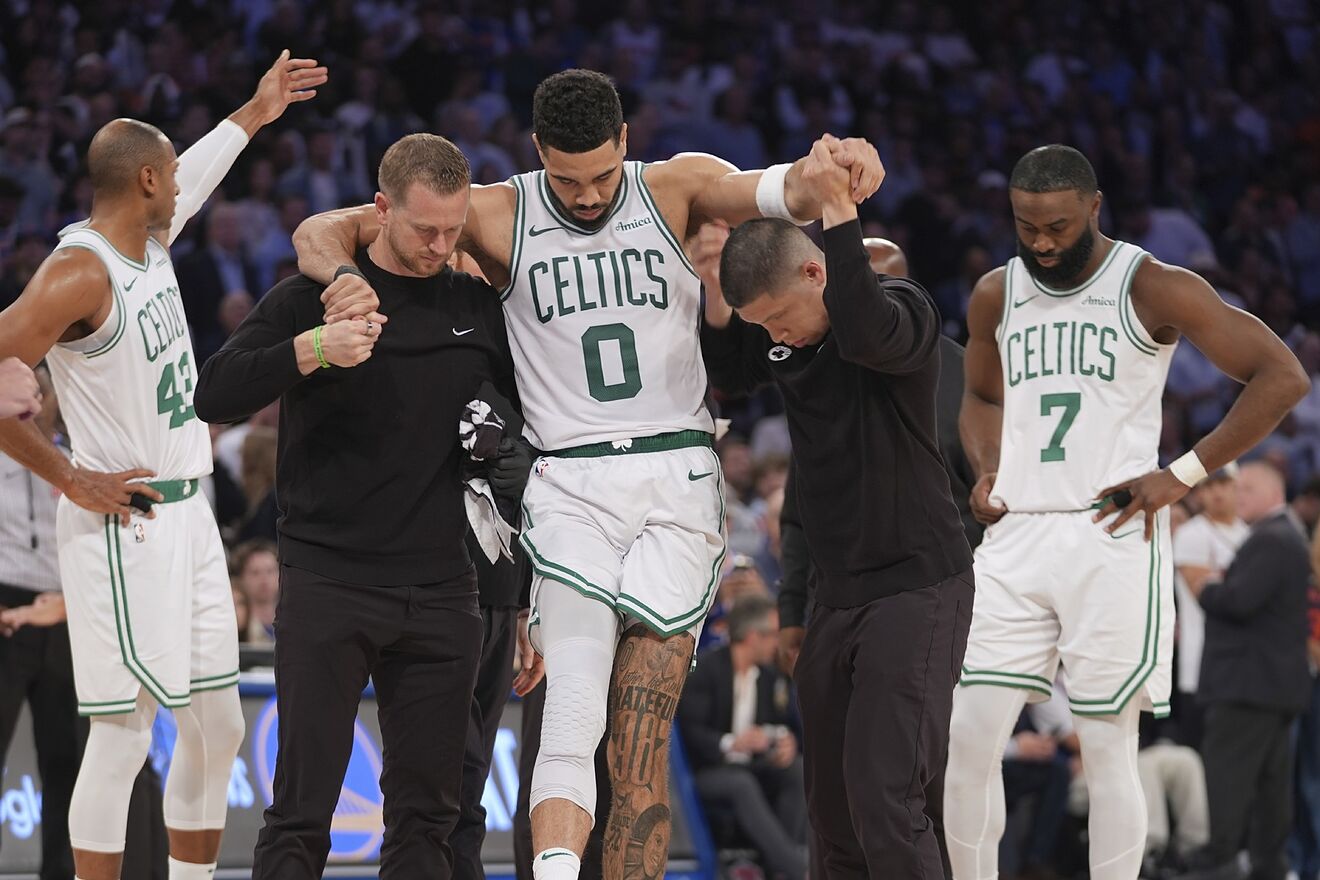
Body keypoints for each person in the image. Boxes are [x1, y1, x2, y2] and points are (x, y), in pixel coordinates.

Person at [292, 68, 882, 880]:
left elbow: (790, 189)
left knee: (641, 743)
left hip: (675, 478)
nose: (585, 194)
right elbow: (324, 228)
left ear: (626, 146)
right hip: (568, 481)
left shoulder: (679, 188)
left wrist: (839, 167)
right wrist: (343, 277)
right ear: (537, 154)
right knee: (568, 716)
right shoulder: (499, 212)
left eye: (602, 174)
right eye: (566, 178)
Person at [942, 145, 1309, 880]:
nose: (1042, 242)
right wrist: (986, 468)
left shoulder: (1152, 285)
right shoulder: (995, 293)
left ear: (1094, 207)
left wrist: (1181, 476)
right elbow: (981, 395)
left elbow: (1283, 375)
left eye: (1057, 226)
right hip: (1015, 534)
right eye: (1027, 227)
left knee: (1108, 748)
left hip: (1108, 532)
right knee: (963, 742)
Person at [0, 52, 326, 880]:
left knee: (219, 728)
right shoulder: (78, 270)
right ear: (147, 178)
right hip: (126, 520)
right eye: (170, 176)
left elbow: (203, 172)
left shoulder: (148, 238)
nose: (181, 186)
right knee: (122, 732)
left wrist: (254, 114)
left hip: (189, 517)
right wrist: (68, 475)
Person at [192, 133, 539, 879]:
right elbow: (213, 393)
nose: (441, 245)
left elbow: (526, 420)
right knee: (300, 813)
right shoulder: (311, 297)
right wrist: (313, 349)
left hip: (446, 590)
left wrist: (495, 424)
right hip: (330, 583)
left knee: (430, 819)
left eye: (454, 230)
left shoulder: (478, 306)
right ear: (380, 210)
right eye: (424, 230)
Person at [701, 139, 975, 877]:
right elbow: (727, 370)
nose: (776, 336)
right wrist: (709, 281)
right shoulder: (790, 346)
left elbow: (863, 328)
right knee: (831, 813)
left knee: (888, 802)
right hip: (836, 597)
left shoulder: (903, 318)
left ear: (819, 270)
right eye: (766, 328)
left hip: (917, 587)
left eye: (781, 316)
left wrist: (837, 208)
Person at [1181, 461, 1312, 880]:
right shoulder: (1284, 537)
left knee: (1228, 778)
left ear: (1275, 493)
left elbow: (1237, 601)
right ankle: (1268, 866)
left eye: (1247, 489)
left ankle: (1219, 861)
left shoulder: (1271, 539)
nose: (1238, 496)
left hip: (1246, 686)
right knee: (1271, 787)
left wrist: (1208, 586)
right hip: (1273, 687)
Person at [0, 365, 80, 880]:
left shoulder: (75, 463)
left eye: (47, 391)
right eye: (36, 389)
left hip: (69, 613)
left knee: (68, 765)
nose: (42, 400)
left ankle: (63, 872)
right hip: (7, 608)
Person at [677, 595, 807, 879]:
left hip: (751, 765)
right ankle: (798, 870)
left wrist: (786, 743)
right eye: (772, 635)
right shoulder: (706, 670)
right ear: (752, 636)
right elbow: (691, 733)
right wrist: (731, 743)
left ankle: (778, 868)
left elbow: (780, 725)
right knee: (741, 784)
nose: (776, 644)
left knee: (797, 770)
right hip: (709, 769)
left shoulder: (770, 677)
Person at [1172, 464, 1249, 748]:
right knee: (1200, 754)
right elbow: (1210, 598)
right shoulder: (1192, 533)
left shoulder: (1248, 533)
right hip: (1201, 663)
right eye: (1208, 485)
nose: (1216, 492)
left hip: (1241, 664)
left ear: (1236, 485)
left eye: (1223, 483)